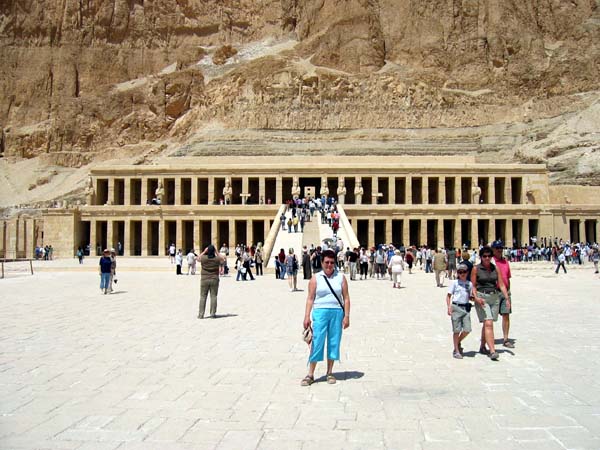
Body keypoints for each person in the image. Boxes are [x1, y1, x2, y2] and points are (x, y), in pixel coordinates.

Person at [301, 250, 351, 386]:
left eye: (332, 263)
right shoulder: (315, 278)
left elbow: (346, 298)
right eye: (327, 262)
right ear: (322, 263)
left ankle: (330, 372)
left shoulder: (341, 277)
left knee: (334, 342)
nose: (329, 265)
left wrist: (346, 316)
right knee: (317, 342)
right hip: (320, 313)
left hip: (336, 312)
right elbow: (310, 299)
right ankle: (310, 374)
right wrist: (307, 316)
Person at [471, 246, 510, 361]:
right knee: (488, 323)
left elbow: (501, 284)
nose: (487, 258)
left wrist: (507, 298)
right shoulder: (475, 269)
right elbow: (473, 285)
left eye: (489, 256)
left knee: (488, 322)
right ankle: (492, 350)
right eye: (484, 256)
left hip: (494, 297)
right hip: (482, 298)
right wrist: (476, 297)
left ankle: (483, 346)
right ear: (481, 257)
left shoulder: (495, 268)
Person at [446, 263, 474, 359]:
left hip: (465, 308)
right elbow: (449, 295)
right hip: (456, 307)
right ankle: (456, 350)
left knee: (467, 329)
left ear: (467, 273)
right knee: (456, 330)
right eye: (460, 272)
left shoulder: (469, 284)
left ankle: (457, 342)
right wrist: (448, 307)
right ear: (457, 273)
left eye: (464, 272)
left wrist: (476, 299)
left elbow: (470, 296)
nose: (462, 274)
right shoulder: (454, 283)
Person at [492, 240, 514, 348]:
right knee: (490, 318)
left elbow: (508, 277)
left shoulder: (505, 262)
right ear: (493, 249)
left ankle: (505, 339)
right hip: (494, 292)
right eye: (497, 248)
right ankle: (487, 340)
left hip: (505, 292)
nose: (500, 250)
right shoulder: (490, 261)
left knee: (506, 315)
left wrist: (508, 292)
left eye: (501, 248)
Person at [197, 245, 225, 319]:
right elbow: (223, 259)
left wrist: (204, 251)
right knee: (213, 297)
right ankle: (212, 313)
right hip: (214, 279)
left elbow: (197, 258)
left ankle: (201, 314)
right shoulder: (216, 259)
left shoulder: (204, 258)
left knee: (203, 297)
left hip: (204, 279)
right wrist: (217, 252)